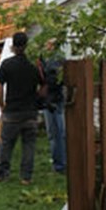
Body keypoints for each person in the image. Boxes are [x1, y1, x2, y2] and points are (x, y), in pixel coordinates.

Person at [0, 32, 41, 185]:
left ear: (13, 46)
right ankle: (26, 177)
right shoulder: (33, 66)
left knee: (6, 144)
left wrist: (2, 106)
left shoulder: (7, 64)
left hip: (12, 111)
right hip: (30, 112)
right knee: (29, 145)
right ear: (26, 46)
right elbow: (43, 85)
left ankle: (2, 175)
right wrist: (37, 101)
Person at [40, 38, 66, 174]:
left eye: (48, 44)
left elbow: (54, 80)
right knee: (56, 133)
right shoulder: (55, 58)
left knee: (56, 133)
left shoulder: (55, 60)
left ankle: (60, 165)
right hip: (53, 99)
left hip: (53, 100)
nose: (46, 46)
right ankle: (59, 162)